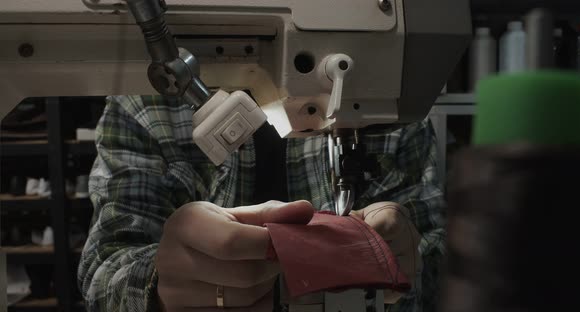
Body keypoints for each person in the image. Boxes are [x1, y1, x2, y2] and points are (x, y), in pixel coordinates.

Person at [77, 95, 446, 312]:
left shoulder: (394, 99)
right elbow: (101, 273)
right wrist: (160, 284)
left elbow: (439, 258)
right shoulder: (144, 100)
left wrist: (407, 259)